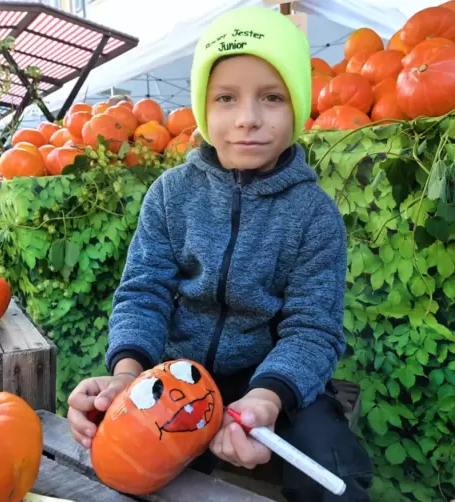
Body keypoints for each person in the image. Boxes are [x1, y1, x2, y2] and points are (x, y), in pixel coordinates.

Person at [65, 7, 373, 502]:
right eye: (226, 98)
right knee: (130, 472)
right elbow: (144, 293)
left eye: (272, 98)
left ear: (297, 106)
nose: (248, 119)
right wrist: (126, 374)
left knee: (332, 473)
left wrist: (267, 397)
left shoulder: (315, 215)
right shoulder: (170, 194)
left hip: (269, 377)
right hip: (178, 376)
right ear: (202, 108)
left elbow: (313, 329)